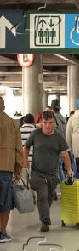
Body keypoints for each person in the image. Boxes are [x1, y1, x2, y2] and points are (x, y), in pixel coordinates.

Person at [24, 111, 72, 232]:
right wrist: (25, 161)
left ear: (54, 123)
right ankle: (45, 221)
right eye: (45, 123)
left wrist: (69, 170)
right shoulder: (35, 134)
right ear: (41, 122)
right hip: (37, 172)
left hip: (52, 174)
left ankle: (44, 214)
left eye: (50, 123)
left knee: (49, 197)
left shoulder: (58, 136)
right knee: (42, 195)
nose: (47, 125)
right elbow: (26, 147)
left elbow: (65, 154)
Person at [0, 96, 22, 242]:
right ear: (3, 106)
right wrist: (18, 168)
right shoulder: (12, 123)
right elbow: (18, 148)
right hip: (5, 167)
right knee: (5, 202)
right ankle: (2, 232)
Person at [20, 114, 37, 185]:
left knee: (23, 184)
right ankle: (34, 196)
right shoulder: (37, 132)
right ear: (33, 122)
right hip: (35, 161)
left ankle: (25, 196)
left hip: (23, 160)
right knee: (34, 185)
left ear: (24, 121)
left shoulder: (18, 131)